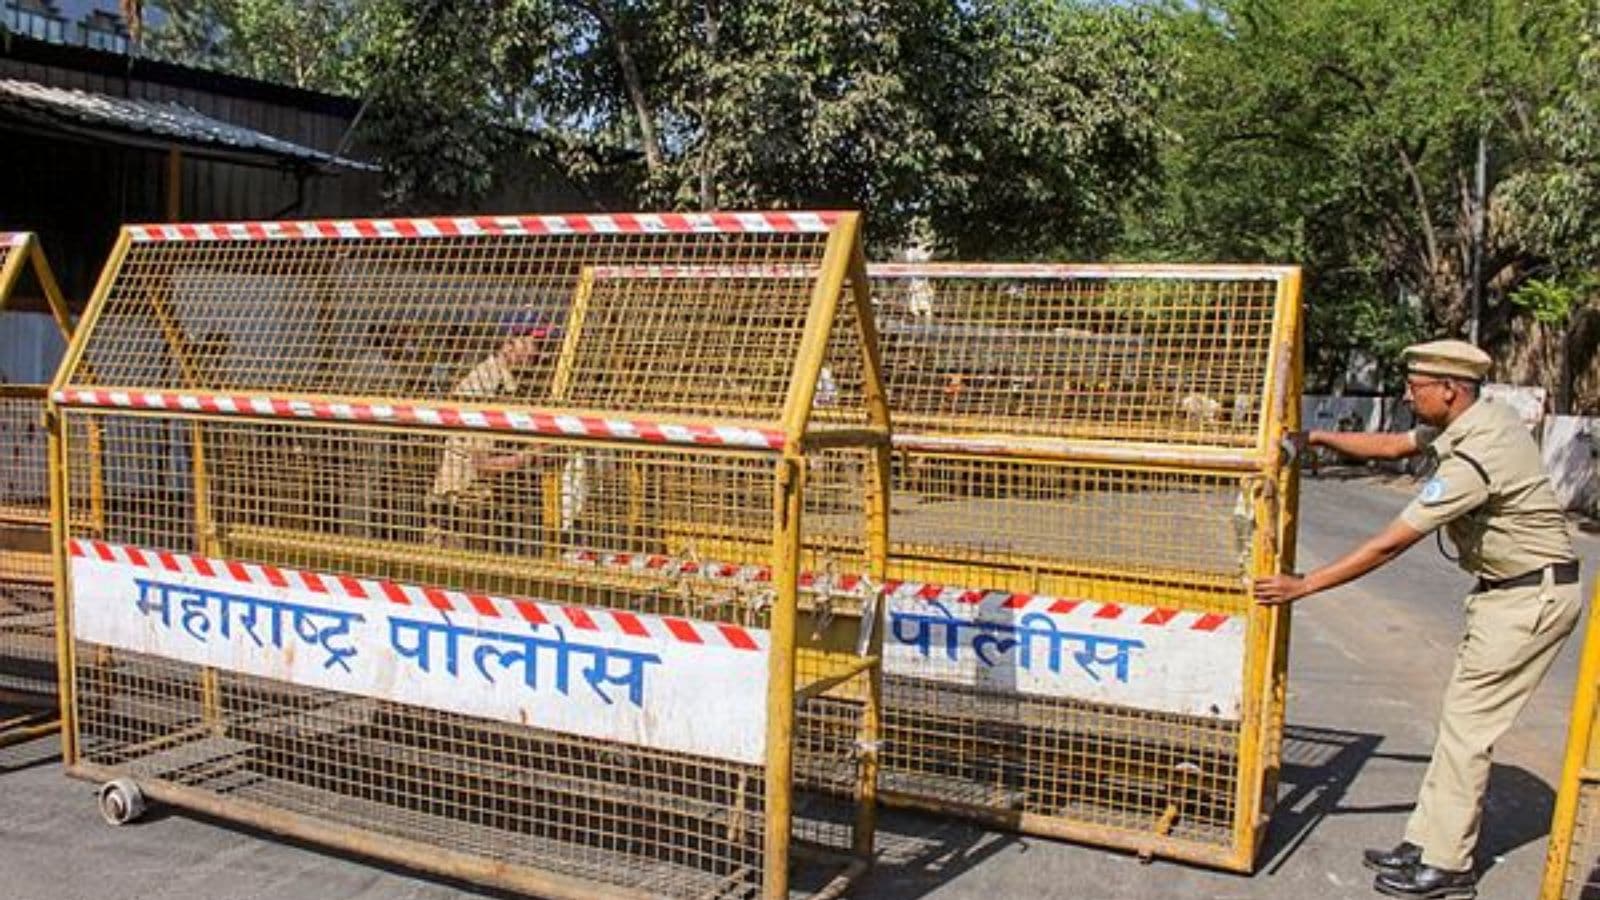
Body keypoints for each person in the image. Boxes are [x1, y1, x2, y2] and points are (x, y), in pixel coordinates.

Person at [1253, 339, 1582, 900]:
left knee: (1467, 732)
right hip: (1510, 594)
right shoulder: (1471, 421)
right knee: (1458, 725)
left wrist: (1305, 584)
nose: (1408, 394)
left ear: (1450, 391)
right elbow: (1392, 444)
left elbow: (1390, 543)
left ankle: (1448, 866)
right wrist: (1319, 437)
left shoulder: (1477, 456)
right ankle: (1426, 843)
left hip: (1530, 598)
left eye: (1416, 387)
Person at [426, 311, 560, 552]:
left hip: (474, 507)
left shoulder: (505, 381)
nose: (540, 352)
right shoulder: (488, 386)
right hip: (455, 511)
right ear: (509, 342)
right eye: (534, 343)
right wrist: (529, 456)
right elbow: (483, 464)